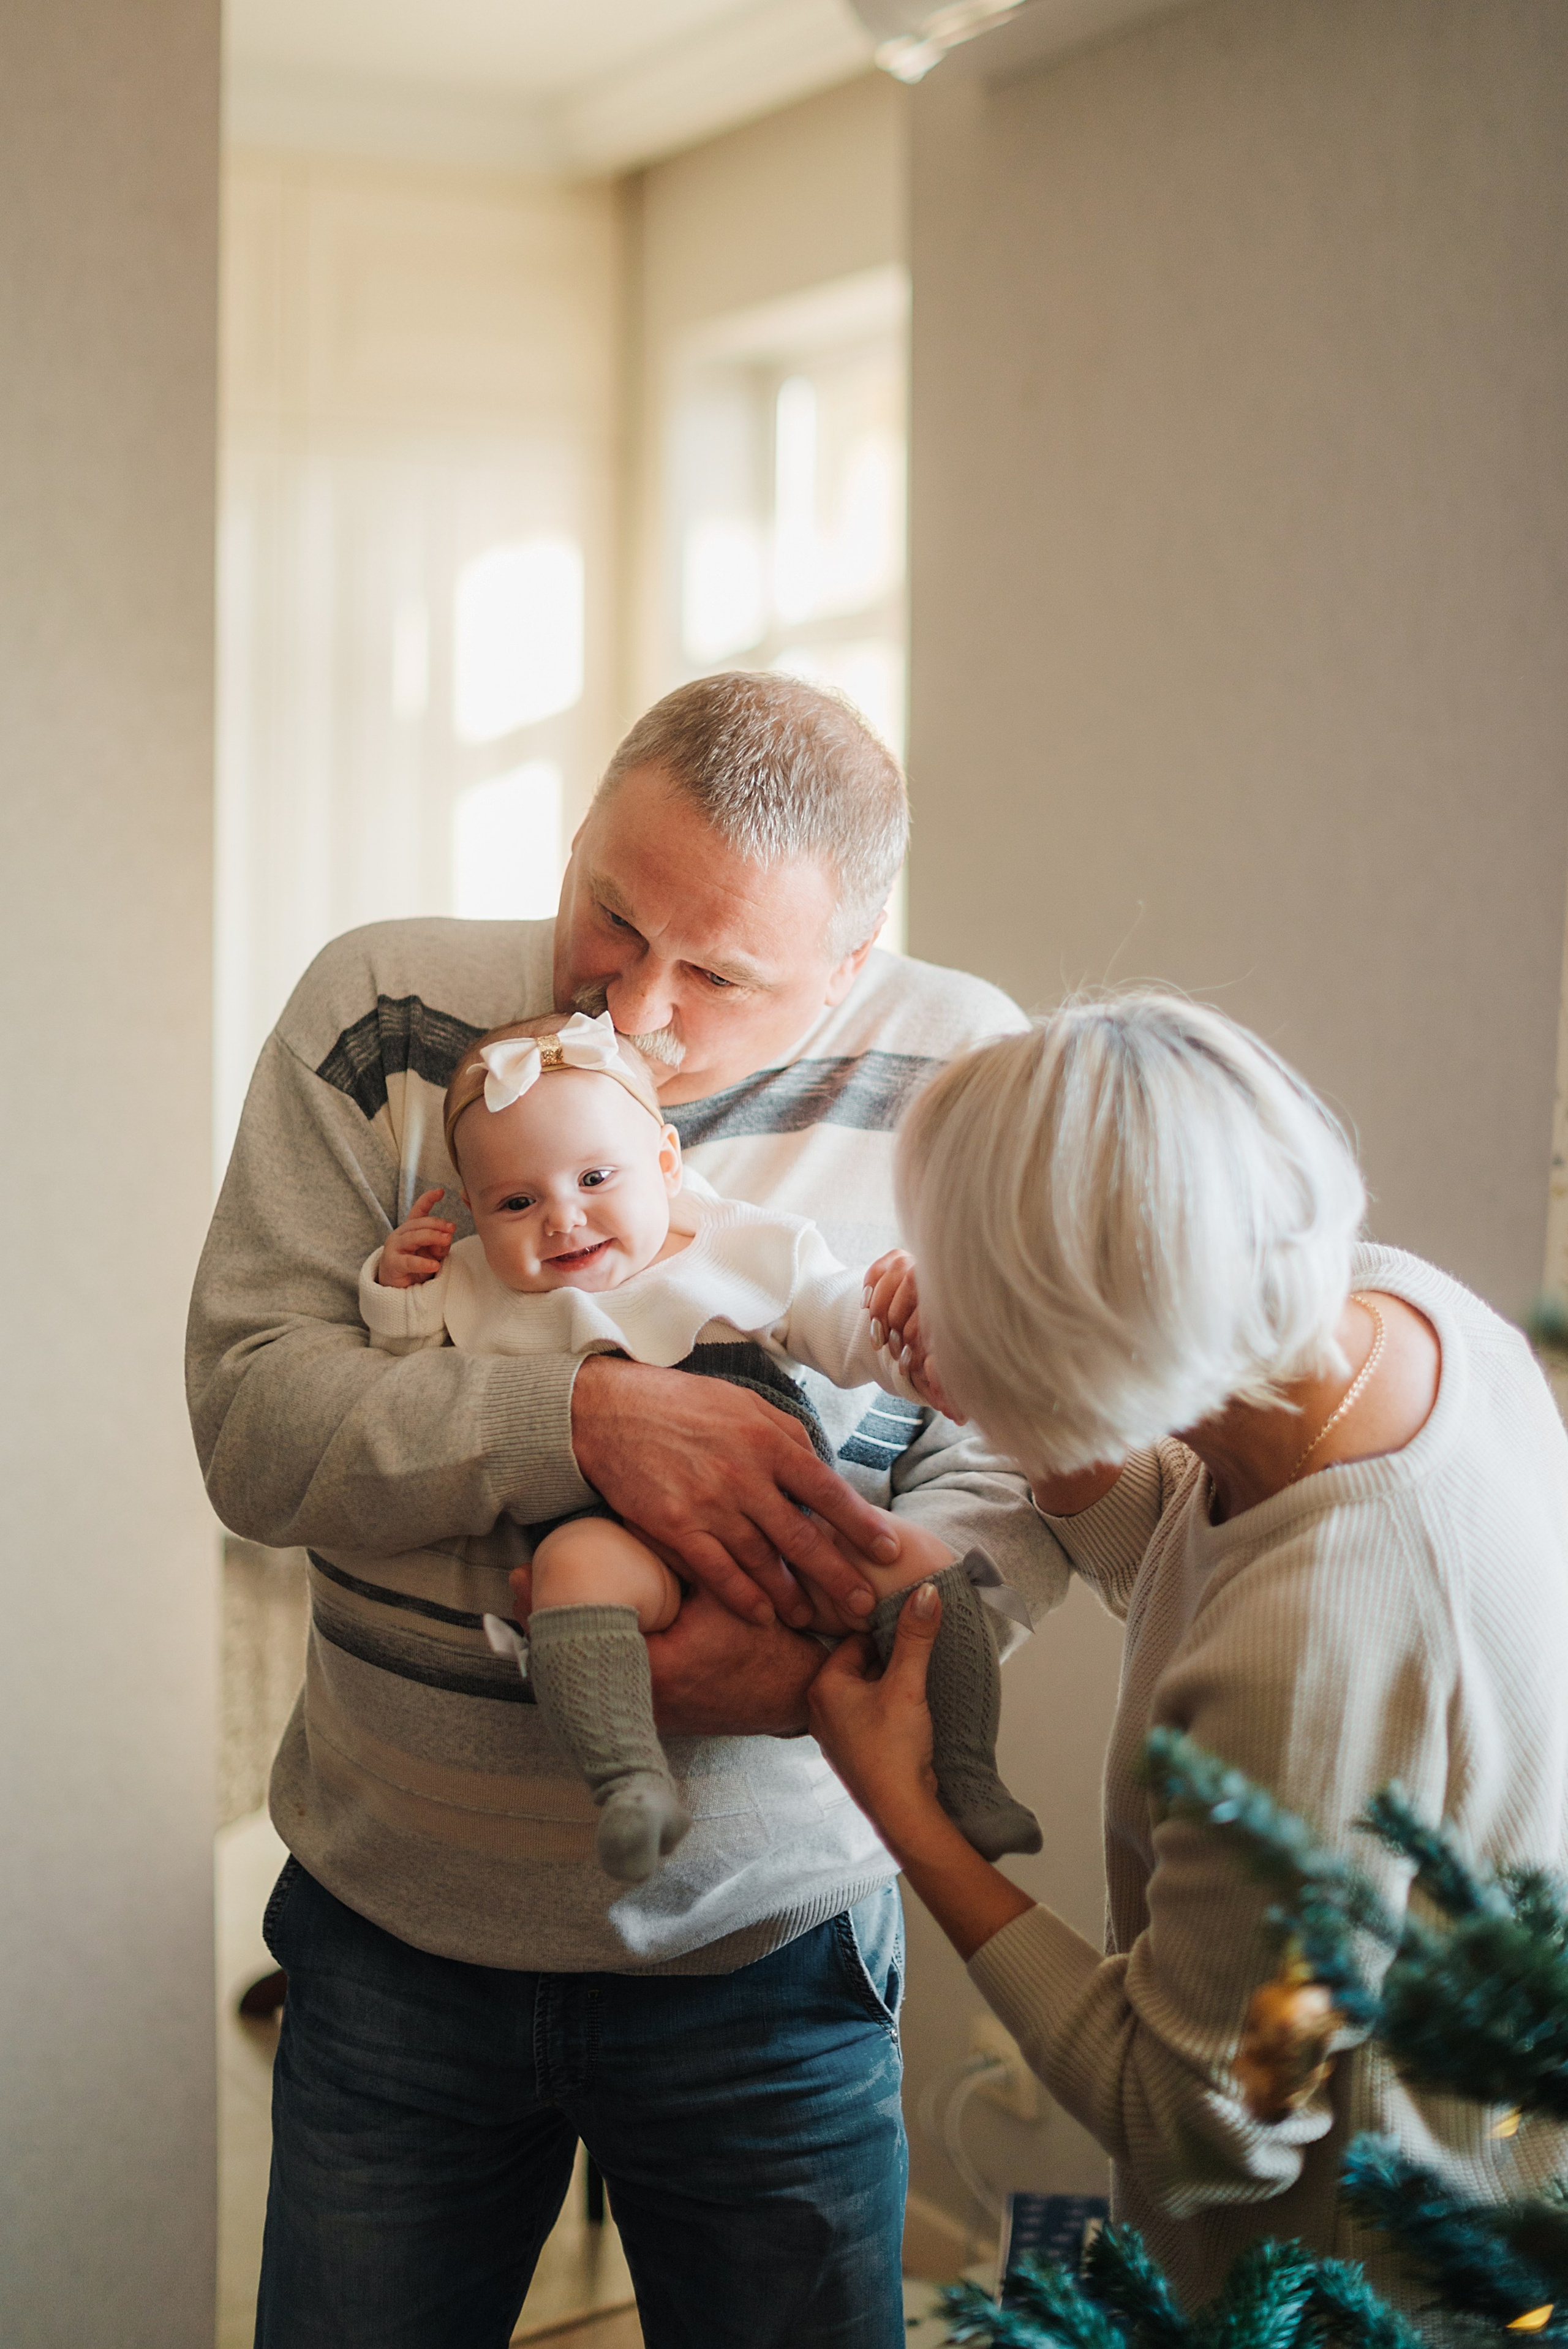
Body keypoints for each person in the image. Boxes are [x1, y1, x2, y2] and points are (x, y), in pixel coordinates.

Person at [186, 671, 1068, 2349]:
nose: (637, 1001)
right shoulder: (380, 1008)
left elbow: (1021, 1455)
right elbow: (251, 1418)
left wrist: (869, 1628)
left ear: (856, 957)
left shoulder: (967, 1065)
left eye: (722, 971)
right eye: (608, 909)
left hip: (776, 1951)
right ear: (579, 834)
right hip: (394, 1936)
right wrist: (583, 1415)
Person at [809, 992, 1568, 2312]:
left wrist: (905, 1814)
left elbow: (1207, 2121)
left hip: (1352, 2284)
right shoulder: (1394, 1313)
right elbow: (1190, 1538)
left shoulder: (1322, 1638)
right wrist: (1046, 1421)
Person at [359, 1005, 1039, 1882]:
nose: (564, 1221)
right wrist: (398, 1292)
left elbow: (840, 1325)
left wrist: (909, 1334)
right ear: (478, 1215)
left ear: (667, 1164)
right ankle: (630, 1781)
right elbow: (406, 1383)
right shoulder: (482, 1285)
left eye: (596, 1178)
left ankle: (969, 1776)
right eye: (518, 1203)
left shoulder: (739, 1244)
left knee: (921, 1570)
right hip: (617, 1533)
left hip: (802, 1512)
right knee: (569, 1579)